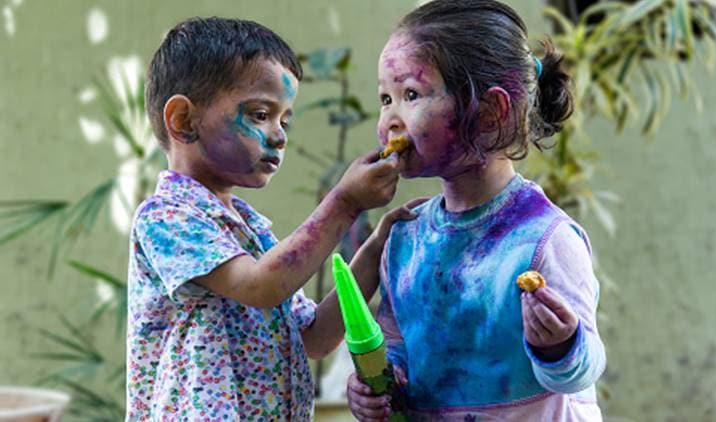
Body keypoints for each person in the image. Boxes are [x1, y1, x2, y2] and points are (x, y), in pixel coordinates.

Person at [126, 17, 410, 420]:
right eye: (260, 114)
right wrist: (345, 203)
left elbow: (314, 336)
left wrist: (378, 248)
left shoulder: (250, 229)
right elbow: (260, 287)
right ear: (184, 121)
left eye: (285, 120)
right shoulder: (166, 217)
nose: (279, 136)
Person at [346, 1, 606, 420]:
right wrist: (377, 385)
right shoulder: (405, 237)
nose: (389, 120)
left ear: (488, 115)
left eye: (410, 95)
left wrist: (560, 344)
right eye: (384, 98)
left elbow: (583, 370)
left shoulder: (545, 238)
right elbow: (397, 346)